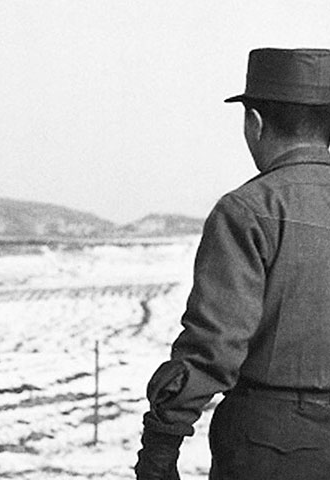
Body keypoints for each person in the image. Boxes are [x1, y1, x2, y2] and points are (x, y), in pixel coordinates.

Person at [137, 48, 330, 480]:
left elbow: (213, 348)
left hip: (270, 447)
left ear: (255, 123)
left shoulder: (247, 209)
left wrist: (160, 448)